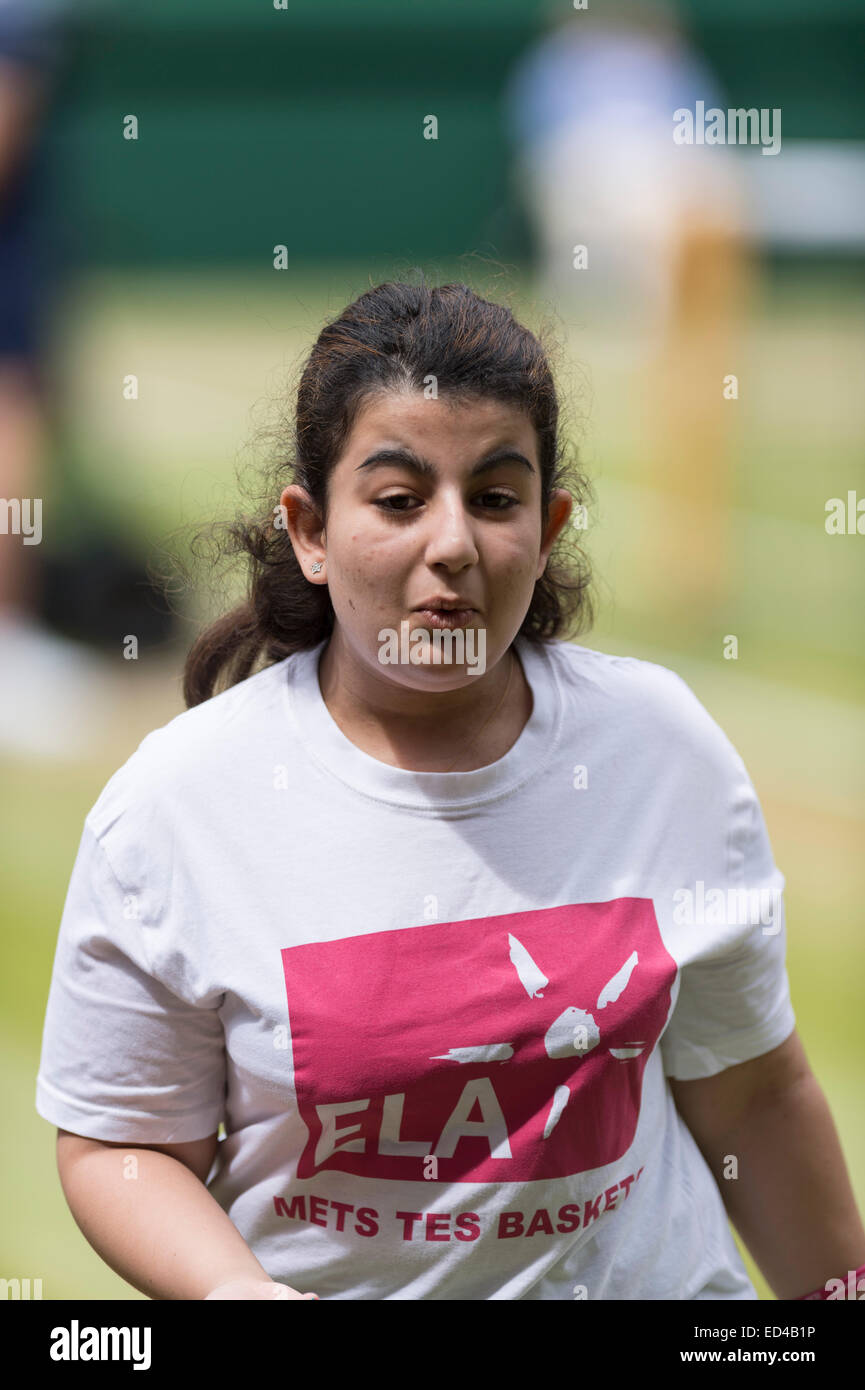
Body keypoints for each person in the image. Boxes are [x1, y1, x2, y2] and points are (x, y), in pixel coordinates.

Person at [36, 280, 865, 1301]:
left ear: (550, 525)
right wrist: (234, 1292)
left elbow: (751, 1097)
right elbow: (120, 1146)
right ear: (309, 529)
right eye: (397, 499)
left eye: (496, 497)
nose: (453, 544)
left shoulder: (663, 753)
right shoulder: (175, 807)